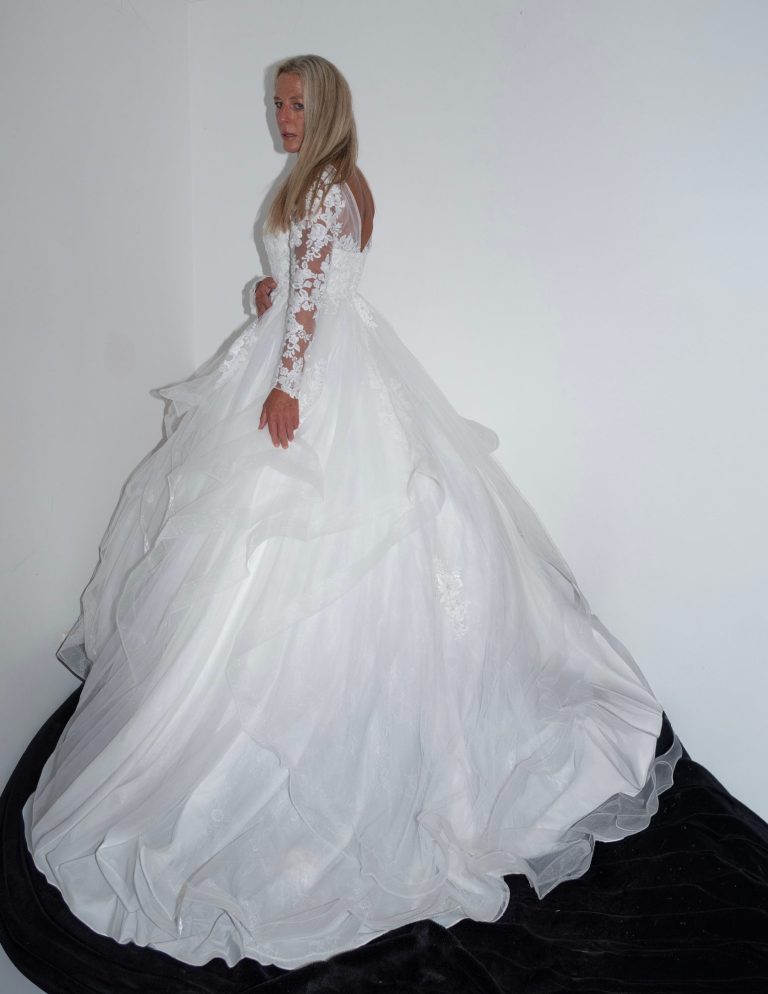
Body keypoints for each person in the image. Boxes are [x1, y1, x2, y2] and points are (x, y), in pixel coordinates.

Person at [22, 54, 683, 972]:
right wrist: (268, 299)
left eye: (295, 104)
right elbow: (307, 289)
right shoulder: (330, 182)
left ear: (326, 105)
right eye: (275, 104)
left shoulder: (327, 186)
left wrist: (286, 382)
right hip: (331, 358)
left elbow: (312, 307)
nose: (281, 117)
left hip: (318, 378)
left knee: (298, 542)